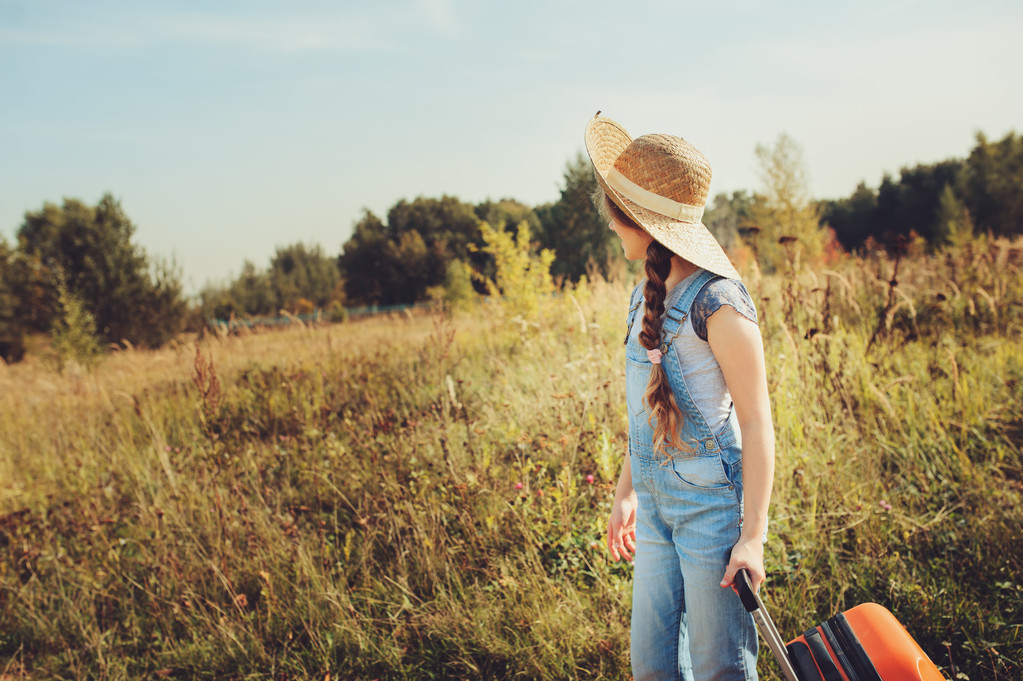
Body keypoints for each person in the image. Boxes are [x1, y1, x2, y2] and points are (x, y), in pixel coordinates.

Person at [585, 113, 775, 681]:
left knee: (721, 669)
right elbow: (649, 414)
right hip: (655, 507)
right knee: (652, 665)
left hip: (711, 512)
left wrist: (754, 537)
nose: (611, 227)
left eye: (615, 216)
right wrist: (626, 492)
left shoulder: (718, 302)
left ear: (638, 221)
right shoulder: (643, 294)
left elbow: (758, 424)